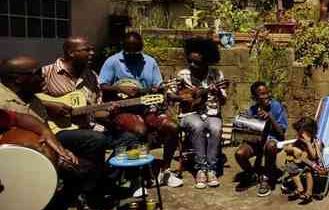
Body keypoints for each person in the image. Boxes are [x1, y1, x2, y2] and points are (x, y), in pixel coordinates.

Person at [0, 56, 105, 210]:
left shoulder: (31, 96)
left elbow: (37, 125)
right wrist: (56, 157)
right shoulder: (3, 102)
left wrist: (60, 149)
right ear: (18, 79)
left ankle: (74, 201)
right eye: (38, 73)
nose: (43, 77)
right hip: (18, 162)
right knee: (75, 169)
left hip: (44, 146)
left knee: (89, 152)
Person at [99, 31, 183, 191]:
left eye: (137, 52)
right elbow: (102, 86)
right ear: (123, 48)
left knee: (173, 127)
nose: (133, 56)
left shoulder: (149, 62)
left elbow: (159, 87)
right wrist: (119, 87)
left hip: (146, 105)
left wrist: (156, 89)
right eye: (129, 53)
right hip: (121, 109)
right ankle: (139, 175)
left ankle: (165, 171)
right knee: (140, 130)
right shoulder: (112, 61)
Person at [41, 36, 137, 150]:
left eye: (92, 49)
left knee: (129, 137)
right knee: (97, 138)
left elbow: (95, 111)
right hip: (56, 129)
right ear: (71, 52)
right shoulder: (46, 73)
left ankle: (111, 167)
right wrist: (49, 105)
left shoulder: (92, 77)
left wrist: (109, 111)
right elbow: (25, 101)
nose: (92, 53)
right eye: (87, 50)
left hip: (87, 128)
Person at [171, 38, 227, 189]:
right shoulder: (183, 74)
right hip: (189, 113)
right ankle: (201, 168)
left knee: (215, 128)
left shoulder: (216, 75)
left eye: (197, 62)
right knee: (197, 125)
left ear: (207, 61)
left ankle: (212, 169)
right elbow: (170, 95)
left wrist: (217, 92)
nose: (192, 65)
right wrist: (185, 97)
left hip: (212, 112)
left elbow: (223, 101)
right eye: (190, 61)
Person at [234, 81, 288, 197]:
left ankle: (266, 178)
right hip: (256, 142)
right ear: (255, 97)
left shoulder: (276, 106)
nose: (266, 96)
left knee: (271, 146)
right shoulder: (253, 110)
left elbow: (281, 133)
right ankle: (251, 174)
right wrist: (245, 119)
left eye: (267, 93)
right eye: (261, 94)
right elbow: (246, 132)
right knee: (239, 153)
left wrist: (270, 117)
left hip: (272, 140)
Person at [282, 117, 323, 205]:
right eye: (299, 133)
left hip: (314, 164)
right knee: (290, 167)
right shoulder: (299, 141)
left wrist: (308, 143)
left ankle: (308, 193)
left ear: (310, 132)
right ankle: (300, 188)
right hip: (302, 163)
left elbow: (314, 156)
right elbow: (288, 148)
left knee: (308, 171)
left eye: (301, 133)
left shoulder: (317, 142)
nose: (299, 135)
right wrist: (290, 148)